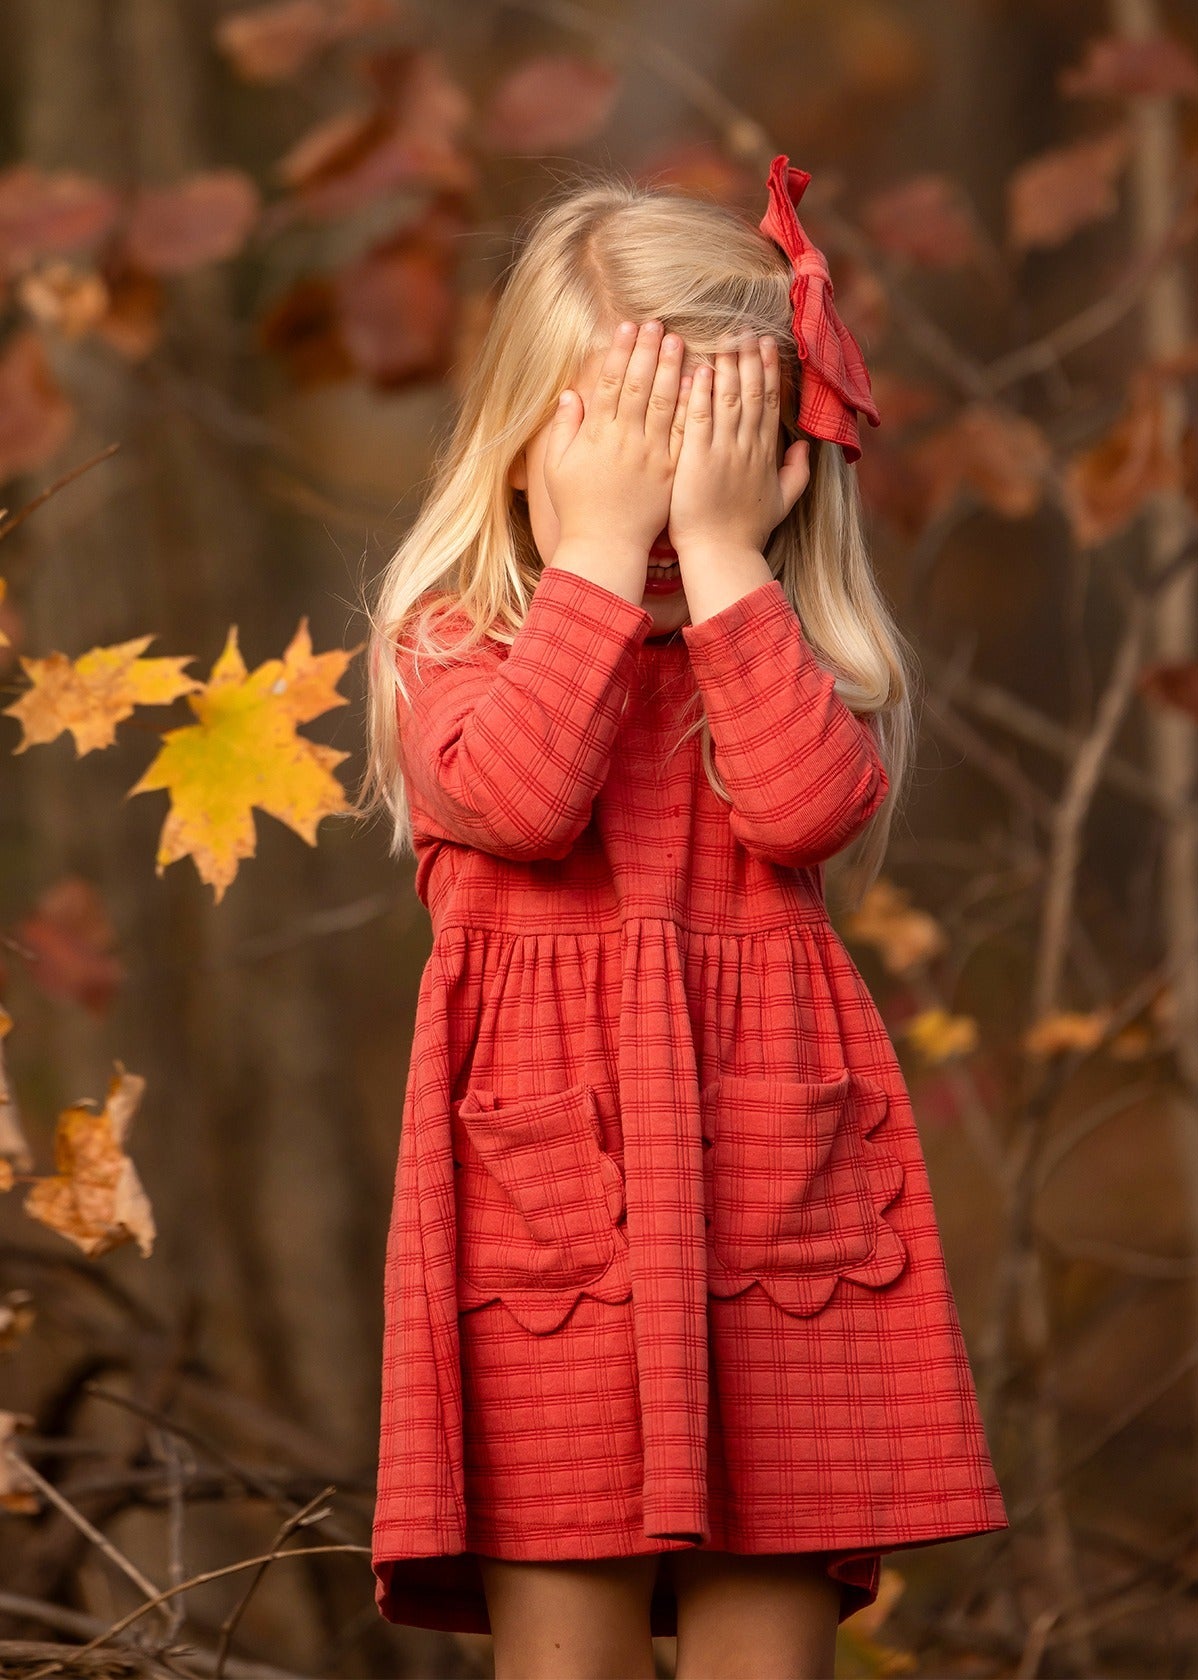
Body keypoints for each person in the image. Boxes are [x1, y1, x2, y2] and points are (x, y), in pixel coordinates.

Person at [357, 155, 1009, 1680]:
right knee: (564, 1654)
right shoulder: (450, 642)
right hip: (549, 1236)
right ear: (526, 442)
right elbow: (520, 799)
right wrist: (592, 554)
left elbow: (801, 811)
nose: (648, 504)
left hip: (770, 1221)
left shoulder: (776, 651)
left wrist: (722, 560)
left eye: (695, 458)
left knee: (761, 1657)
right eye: (614, 452)